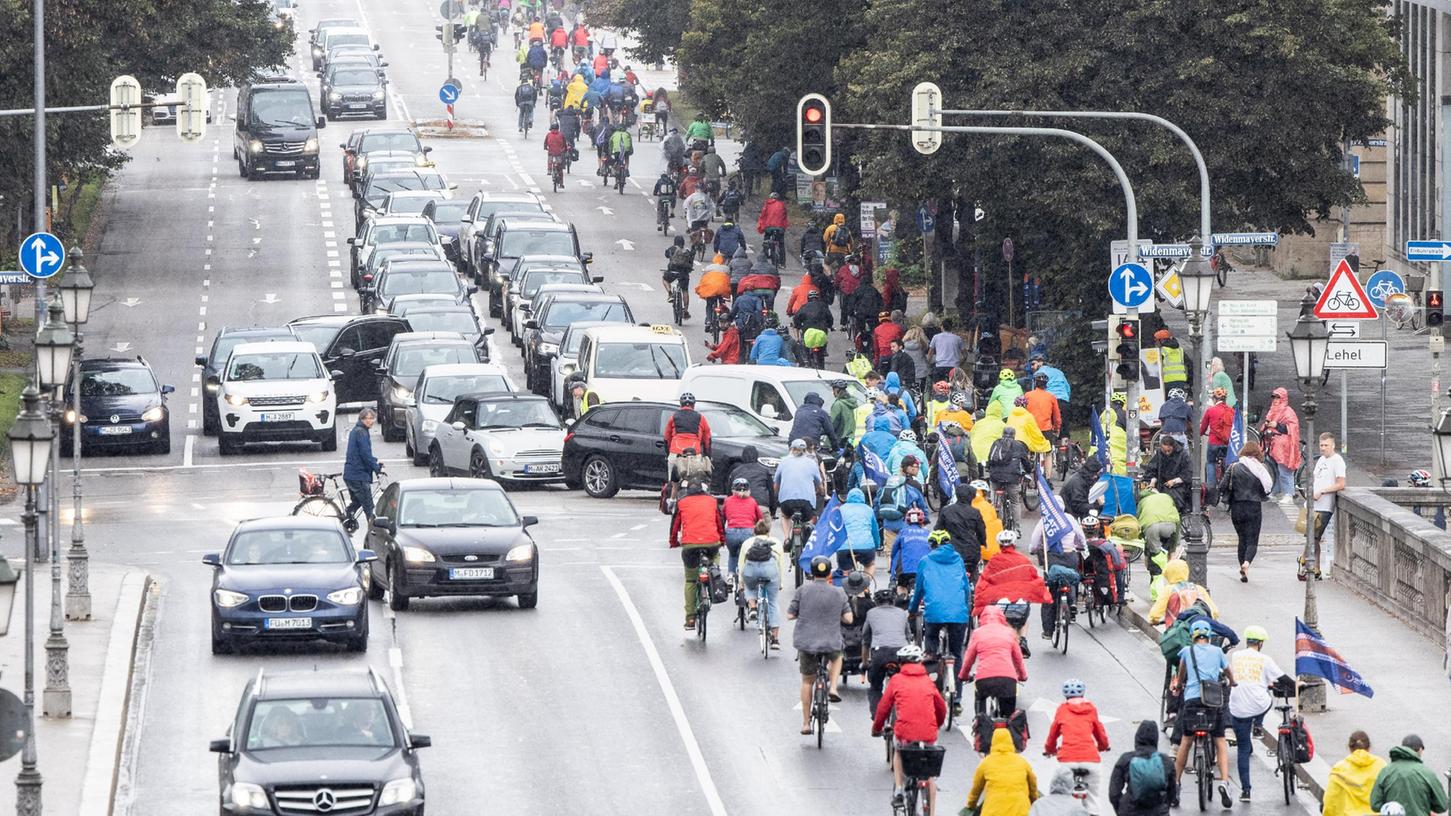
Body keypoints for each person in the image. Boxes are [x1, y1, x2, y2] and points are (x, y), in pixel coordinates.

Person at [873, 644, 947, 812]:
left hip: (905, 732)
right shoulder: (928, 681)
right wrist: (938, 724)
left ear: (901, 663)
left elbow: (883, 708)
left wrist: (876, 728)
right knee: (929, 777)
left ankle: (899, 790)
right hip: (928, 734)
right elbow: (941, 708)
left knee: (898, 751)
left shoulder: (896, 680)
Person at [1170, 620, 1235, 807]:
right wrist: (1233, 681)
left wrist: (1180, 685)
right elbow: (1228, 671)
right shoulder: (1217, 652)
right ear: (1208, 636)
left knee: (1186, 741)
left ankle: (1176, 784)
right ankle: (1224, 782)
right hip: (1212, 701)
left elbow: (1181, 674)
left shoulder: (1186, 652)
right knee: (1220, 742)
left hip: (1191, 701)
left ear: (1193, 636)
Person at [908, 529, 971, 711]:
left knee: (931, 645)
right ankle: (957, 699)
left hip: (934, 613)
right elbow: (966, 589)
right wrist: (966, 608)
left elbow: (919, 589)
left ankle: (930, 688)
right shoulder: (958, 559)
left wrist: (912, 611)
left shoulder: (925, 561)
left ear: (931, 545)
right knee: (957, 653)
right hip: (959, 613)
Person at [1227, 625, 1290, 802]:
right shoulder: (1265, 659)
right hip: (1257, 706)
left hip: (1237, 708)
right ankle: (1258, 725)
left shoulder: (1236, 656)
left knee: (1243, 748)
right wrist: (1296, 689)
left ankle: (1245, 791)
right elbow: (1283, 679)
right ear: (1260, 643)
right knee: (1266, 700)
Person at [789, 556, 853, 732]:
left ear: (812, 571)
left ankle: (805, 723)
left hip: (806, 642)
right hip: (831, 641)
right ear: (829, 572)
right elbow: (848, 618)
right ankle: (832, 687)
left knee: (807, 681)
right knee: (838, 656)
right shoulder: (839, 592)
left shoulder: (802, 591)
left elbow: (790, 615)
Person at [1044, 679, 1111, 813]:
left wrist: (1049, 750)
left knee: (1060, 795)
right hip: (1090, 760)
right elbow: (1100, 732)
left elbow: (1053, 734)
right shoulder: (1091, 708)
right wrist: (1103, 746)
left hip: (1067, 760)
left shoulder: (1062, 709)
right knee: (1092, 797)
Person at [668, 479, 724, 630]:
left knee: (691, 581)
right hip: (711, 544)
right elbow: (719, 522)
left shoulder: (682, 502)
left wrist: (673, 542)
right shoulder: (712, 501)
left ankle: (691, 618)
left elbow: (675, 525)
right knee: (715, 557)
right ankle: (714, 575)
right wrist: (722, 540)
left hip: (690, 546)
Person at [959, 598, 1028, 717]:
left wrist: (963, 675)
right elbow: (1018, 659)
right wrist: (1022, 676)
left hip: (984, 680)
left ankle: (980, 722)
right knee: (1009, 718)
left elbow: (969, 659)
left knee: (980, 700)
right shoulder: (1010, 633)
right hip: (1008, 680)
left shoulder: (978, 633)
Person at [1220, 441, 1272, 582]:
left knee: (1242, 539)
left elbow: (1222, 486)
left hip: (1237, 507)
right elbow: (1267, 489)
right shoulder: (1261, 469)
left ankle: (1242, 569)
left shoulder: (1233, 467)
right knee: (1252, 540)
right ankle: (1247, 563)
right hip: (1254, 507)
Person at [1032, 514, 1087, 640]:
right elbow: (1080, 536)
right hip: (1070, 556)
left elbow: (1035, 539)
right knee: (1071, 578)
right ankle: (1071, 602)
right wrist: (1081, 546)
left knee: (1050, 593)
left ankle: (1048, 631)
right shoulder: (1070, 518)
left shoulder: (1045, 520)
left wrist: (1034, 549)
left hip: (1052, 557)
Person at [966, 722, 1040, 816]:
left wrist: (971, 805)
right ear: (1010, 741)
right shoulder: (1022, 762)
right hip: (1020, 811)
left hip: (993, 812)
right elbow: (1033, 784)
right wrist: (1034, 800)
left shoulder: (985, 764)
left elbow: (976, 789)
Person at [1108, 720, 1178, 816]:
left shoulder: (1126, 759)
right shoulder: (1165, 761)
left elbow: (1114, 793)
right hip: (1158, 811)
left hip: (1131, 810)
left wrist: (1121, 809)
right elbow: (1172, 791)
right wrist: (1164, 808)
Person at [1371, 735, 1450, 816]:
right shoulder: (1427, 773)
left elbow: (1375, 805)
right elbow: (1442, 806)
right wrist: (1424, 806)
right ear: (1420, 749)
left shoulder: (1386, 771)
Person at [863, 589, 913, 715]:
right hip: (901, 653)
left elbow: (866, 640)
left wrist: (864, 662)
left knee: (875, 687)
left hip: (880, 653)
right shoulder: (902, 613)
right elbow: (908, 636)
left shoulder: (871, 613)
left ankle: (877, 716)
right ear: (893, 601)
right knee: (905, 685)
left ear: (877, 602)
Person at [738, 518, 784, 647]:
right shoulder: (775, 542)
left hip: (751, 570)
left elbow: (742, 565)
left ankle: (752, 606)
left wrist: (741, 582)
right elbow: (780, 564)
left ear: (754, 532)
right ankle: (775, 639)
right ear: (769, 531)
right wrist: (780, 582)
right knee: (773, 602)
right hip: (770, 571)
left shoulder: (747, 543)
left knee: (749, 586)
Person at [1323, 731, 1387, 816]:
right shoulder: (1381, 765)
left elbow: (1330, 800)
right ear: (1369, 747)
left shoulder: (1339, 769)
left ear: (1350, 748)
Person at [1310, 432, 1347, 579]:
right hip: (1312, 504)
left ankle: (1310, 565)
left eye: (1326, 445)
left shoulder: (1337, 461)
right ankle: (1314, 566)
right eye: (1321, 445)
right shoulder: (1320, 460)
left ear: (1333, 445)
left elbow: (1341, 484)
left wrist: (1323, 491)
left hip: (1324, 506)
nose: (1323, 448)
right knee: (1311, 537)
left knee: (1313, 536)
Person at [775, 438, 823, 543]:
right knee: (809, 519)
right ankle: (806, 536)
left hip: (786, 501)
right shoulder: (811, 463)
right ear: (805, 450)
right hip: (807, 502)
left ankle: (787, 538)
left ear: (791, 449)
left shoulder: (783, 462)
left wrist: (778, 495)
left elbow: (776, 484)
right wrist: (821, 492)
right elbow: (819, 484)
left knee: (785, 516)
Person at [343, 408, 384, 530]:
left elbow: (360, 453)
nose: (371, 421)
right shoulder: (361, 432)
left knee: (357, 502)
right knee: (368, 507)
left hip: (351, 474)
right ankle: (373, 532)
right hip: (358, 475)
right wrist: (377, 468)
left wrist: (375, 461)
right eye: (368, 418)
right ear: (361, 419)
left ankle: (346, 519)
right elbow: (365, 454)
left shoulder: (357, 430)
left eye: (373, 418)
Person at [935, 482, 987, 579]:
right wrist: (983, 542)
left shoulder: (946, 510)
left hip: (952, 550)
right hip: (971, 551)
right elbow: (981, 531)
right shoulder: (975, 512)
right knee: (974, 571)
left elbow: (937, 529)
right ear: (971, 497)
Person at [1259, 387, 1303, 503]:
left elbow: (1292, 428)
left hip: (1284, 446)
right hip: (1273, 444)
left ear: (1283, 398)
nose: (1275, 400)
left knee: (1284, 470)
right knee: (1276, 469)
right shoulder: (1272, 410)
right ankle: (1276, 490)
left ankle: (1289, 494)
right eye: (1274, 397)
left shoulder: (1288, 412)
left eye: (1278, 398)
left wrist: (1277, 425)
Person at [879, 455, 929, 554]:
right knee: (907, 552)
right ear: (909, 468)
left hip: (889, 523)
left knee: (890, 553)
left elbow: (879, 502)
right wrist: (925, 521)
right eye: (917, 466)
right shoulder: (915, 485)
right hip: (907, 525)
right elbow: (922, 506)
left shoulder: (889, 482)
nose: (918, 469)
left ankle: (892, 569)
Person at [1147, 558, 1218, 625]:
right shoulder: (1198, 588)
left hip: (1178, 630)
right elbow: (1214, 611)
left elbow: (1156, 613)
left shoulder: (1168, 590)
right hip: (1198, 628)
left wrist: (1153, 620)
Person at [987, 426, 1033, 524]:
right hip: (1012, 478)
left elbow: (989, 460)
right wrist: (1029, 470)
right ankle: (1017, 527)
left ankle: (994, 513)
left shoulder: (996, 443)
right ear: (1014, 435)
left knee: (993, 493)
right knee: (1015, 502)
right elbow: (1025, 461)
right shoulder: (1019, 445)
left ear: (1002, 434)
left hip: (995, 477)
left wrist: (989, 469)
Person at [722, 477, 764, 581]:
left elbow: (722, 517)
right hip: (748, 532)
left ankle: (731, 575)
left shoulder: (727, 501)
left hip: (731, 532)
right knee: (747, 556)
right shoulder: (752, 501)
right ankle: (747, 576)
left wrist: (722, 534)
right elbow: (760, 519)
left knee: (732, 555)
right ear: (748, 490)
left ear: (732, 490)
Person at [1136, 488, 1179, 583]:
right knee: (1166, 551)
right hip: (1170, 525)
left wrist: (1141, 538)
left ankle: (1156, 578)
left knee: (1155, 555)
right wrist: (1174, 547)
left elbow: (1138, 519)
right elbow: (1176, 517)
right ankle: (1171, 577)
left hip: (1152, 526)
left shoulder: (1143, 501)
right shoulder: (1166, 497)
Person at [837, 486, 882, 576]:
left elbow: (836, 530)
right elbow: (874, 530)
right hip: (866, 546)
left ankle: (847, 584)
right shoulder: (868, 510)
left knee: (845, 570)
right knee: (870, 565)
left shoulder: (841, 509)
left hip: (845, 547)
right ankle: (866, 585)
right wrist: (877, 545)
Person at [1199, 387, 1234, 503]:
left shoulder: (1211, 411)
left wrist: (1201, 433)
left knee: (1210, 462)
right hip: (1227, 443)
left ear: (1214, 399)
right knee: (1229, 464)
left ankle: (1211, 489)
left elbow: (1202, 427)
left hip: (1214, 442)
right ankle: (1228, 485)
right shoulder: (1231, 411)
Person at [1143, 435, 1193, 514]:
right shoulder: (1159, 454)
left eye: (1169, 451)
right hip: (1162, 485)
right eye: (1164, 451)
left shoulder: (1182, 454)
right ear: (1161, 447)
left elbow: (1188, 473)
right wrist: (1152, 482)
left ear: (1173, 447)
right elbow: (1152, 470)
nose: (1167, 453)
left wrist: (1174, 481)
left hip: (1179, 486)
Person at [890, 509, 934, 588]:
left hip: (906, 570)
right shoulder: (928, 533)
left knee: (901, 587)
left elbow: (894, 550)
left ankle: (901, 595)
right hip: (924, 570)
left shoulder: (903, 532)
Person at [728, 444, 776, 515]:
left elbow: (729, 493)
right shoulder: (765, 471)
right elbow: (771, 492)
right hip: (761, 505)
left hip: (742, 507)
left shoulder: (735, 472)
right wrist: (772, 511)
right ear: (757, 456)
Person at [1061, 455, 1102, 520]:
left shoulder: (1081, 478)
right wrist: (1096, 506)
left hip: (1069, 513)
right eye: (1096, 474)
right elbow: (1078, 506)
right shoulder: (1078, 483)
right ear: (1091, 472)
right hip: (1071, 517)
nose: (1096, 477)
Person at [1156, 330, 1190, 394]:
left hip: (1168, 382)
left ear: (1161, 340)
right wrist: (1189, 382)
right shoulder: (1180, 350)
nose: (1156, 343)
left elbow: (1155, 365)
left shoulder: (1162, 351)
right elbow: (1189, 364)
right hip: (1181, 381)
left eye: (1156, 341)